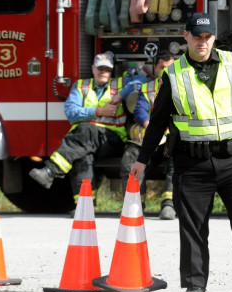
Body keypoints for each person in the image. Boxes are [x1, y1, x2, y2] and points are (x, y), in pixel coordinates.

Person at [130, 12, 232, 292]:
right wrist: (143, 159)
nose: (203, 42)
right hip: (192, 161)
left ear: (214, 38)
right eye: (197, 37)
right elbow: (157, 121)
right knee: (193, 226)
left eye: (208, 37)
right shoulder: (174, 74)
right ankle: (195, 286)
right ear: (186, 37)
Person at [29, 51, 147, 205]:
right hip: (85, 139)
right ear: (93, 69)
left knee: (85, 131)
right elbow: (71, 113)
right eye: (100, 68)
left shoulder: (119, 84)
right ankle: (84, 206)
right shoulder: (80, 86)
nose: (103, 72)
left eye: (107, 69)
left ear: (111, 70)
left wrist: (120, 95)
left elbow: (143, 80)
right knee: (82, 156)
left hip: (112, 141)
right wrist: (98, 111)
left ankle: (51, 170)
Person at [120, 50, 177, 220]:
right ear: (155, 68)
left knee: (177, 159)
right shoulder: (147, 88)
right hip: (152, 140)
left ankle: (169, 205)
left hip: (174, 139)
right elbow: (140, 111)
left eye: (170, 67)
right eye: (162, 67)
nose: (166, 71)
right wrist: (154, 132)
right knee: (130, 158)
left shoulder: (183, 86)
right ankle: (135, 204)